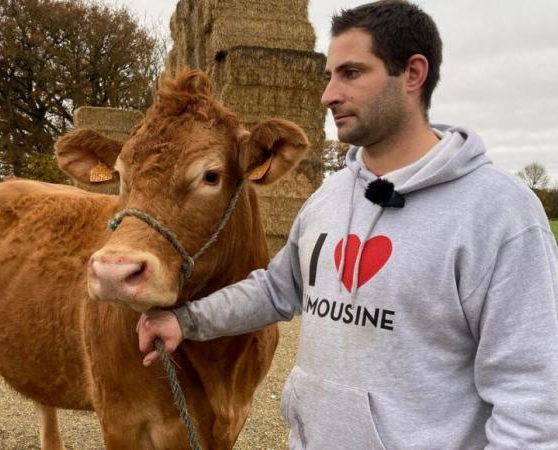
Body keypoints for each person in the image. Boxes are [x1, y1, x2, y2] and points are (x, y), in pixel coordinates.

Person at [137, 0, 558, 448]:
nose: (328, 95)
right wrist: (187, 321)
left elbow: (532, 395)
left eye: (351, 74)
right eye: (328, 76)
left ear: (413, 74)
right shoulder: (330, 197)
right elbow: (277, 290)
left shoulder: (499, 215)